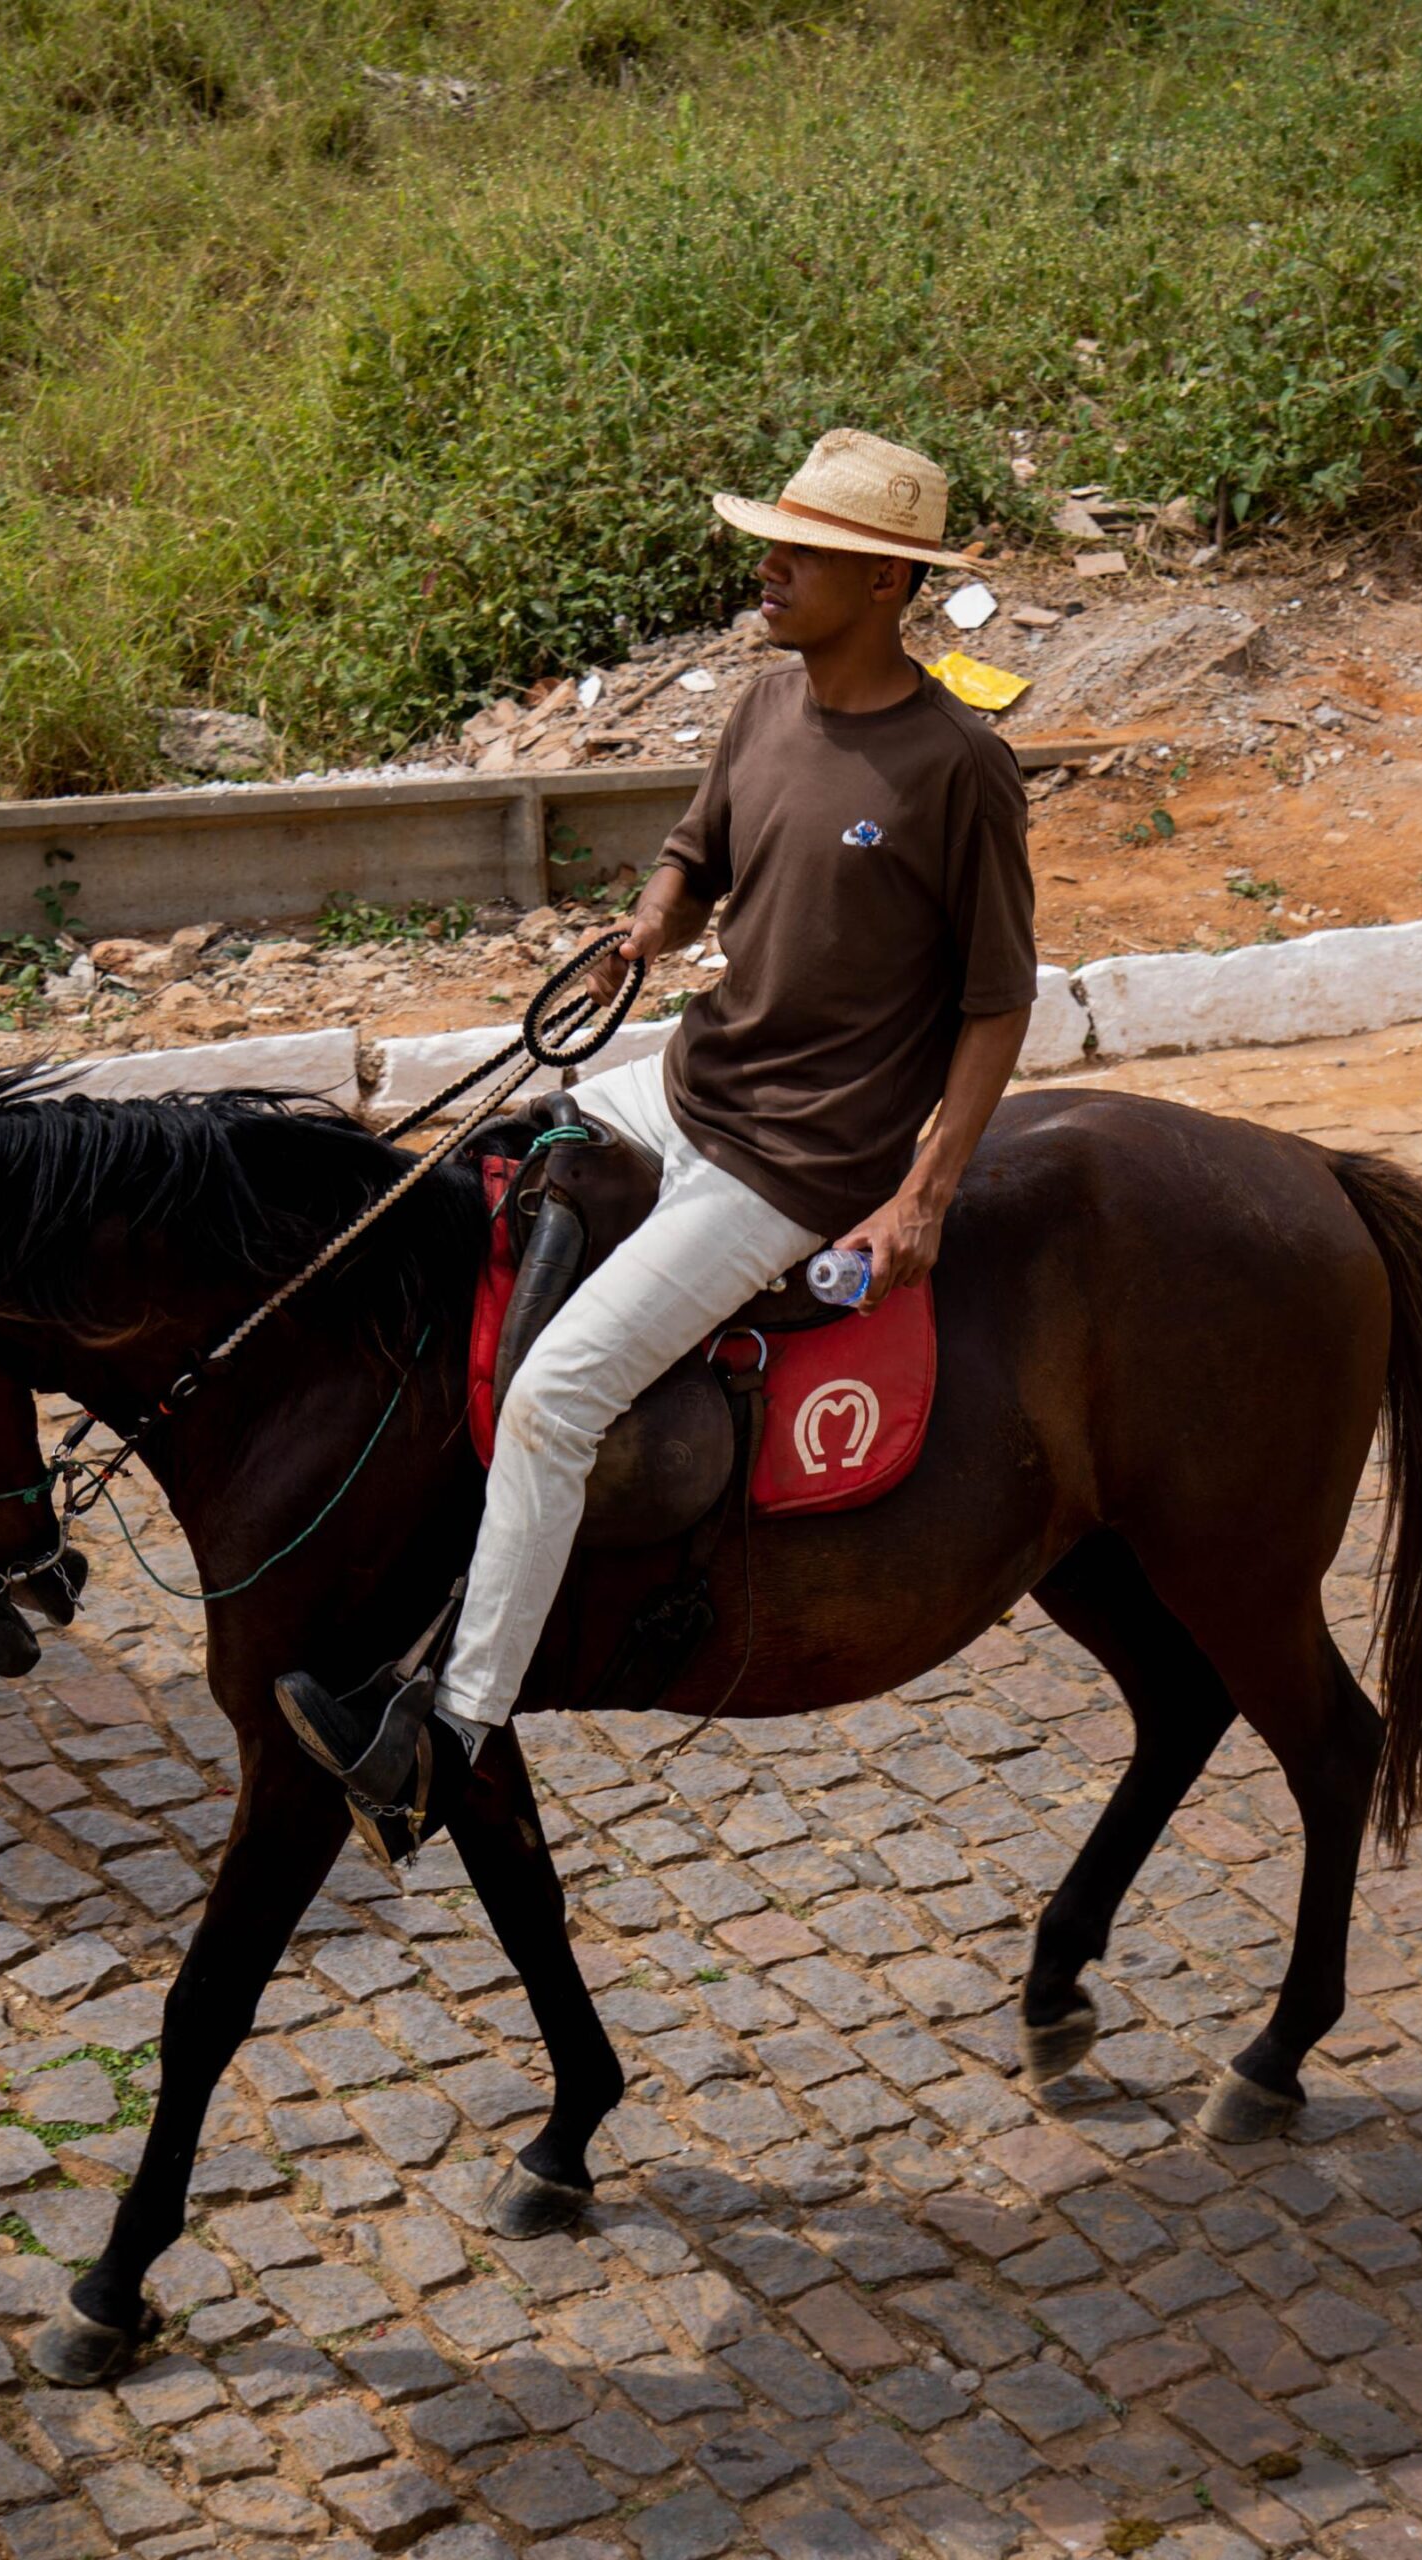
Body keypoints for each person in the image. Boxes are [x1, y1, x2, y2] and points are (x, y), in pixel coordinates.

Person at [276, 426, 1037, 1811]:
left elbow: (997, 1002)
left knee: (560, 1396)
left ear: (887, 584)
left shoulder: (957, 768)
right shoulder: (765, 707)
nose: (770, 570)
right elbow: (698, 855)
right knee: (472, 1183)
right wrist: (648, 925)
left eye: (804, 554)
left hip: (798, 1163)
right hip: (684, 1086)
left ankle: (451, 1736)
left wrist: (922, 1192)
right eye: (773, 544)